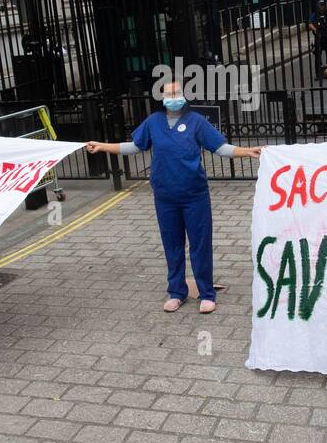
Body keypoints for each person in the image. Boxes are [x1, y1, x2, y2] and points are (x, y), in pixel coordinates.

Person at [86, 82, 261, 314]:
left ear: (184, 96)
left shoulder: (196, 121)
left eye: (176, 93)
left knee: (200, 244)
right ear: (162, 97)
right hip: (165, 196)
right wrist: (102, 146)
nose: (173, 97)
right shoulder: (153, 122)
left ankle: (207, 293)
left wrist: (247, 152)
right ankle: (176, 292)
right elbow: (134, 147)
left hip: (194, 195)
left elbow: (220, 148)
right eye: (168, 94)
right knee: (172, 245)